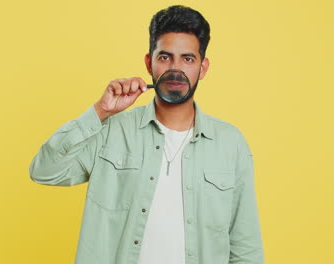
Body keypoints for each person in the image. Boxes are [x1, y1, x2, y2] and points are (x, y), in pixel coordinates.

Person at [29, 5, 264, 264]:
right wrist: (99, 111)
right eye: (165, 57)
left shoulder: (231, 144)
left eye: (188, 59)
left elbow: (245, 248)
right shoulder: (113, 130)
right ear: (148, 63)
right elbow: (45, 170)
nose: (176, 69)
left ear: (203, 67)